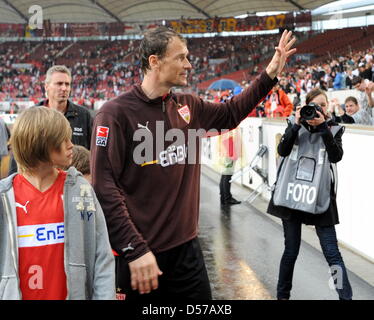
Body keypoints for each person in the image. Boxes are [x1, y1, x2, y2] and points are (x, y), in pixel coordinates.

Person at [90, 26, 296, 300]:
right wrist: (134, 249)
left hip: (187, 252)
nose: (188, 64)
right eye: (181, 57)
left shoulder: (189, 105)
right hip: (140, 257)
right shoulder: (114, 114)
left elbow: (231, 113)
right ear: (155, 61)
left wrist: (269, 74)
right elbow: (103, 187)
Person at [0, 107, 115, 300]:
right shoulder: (5, 197)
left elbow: (102, 257)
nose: (72, 145)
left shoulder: (80, 190)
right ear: (41, 145)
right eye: (63, 140)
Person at [267, 88, 353, 300]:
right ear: (304, 106)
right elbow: (283, 150)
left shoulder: (333, 129)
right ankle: (282, 296)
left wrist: (323, 127)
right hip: (292, 194)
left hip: (320, 196)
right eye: (314, 105)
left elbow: (336, 156)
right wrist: (296, 124)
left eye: (322, 105)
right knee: (291, 251)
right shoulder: (293, 123)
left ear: (328, 108)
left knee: (332, 252)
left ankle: (346, 298)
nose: (318, 109)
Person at [37, 65, 93, 150]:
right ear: (46, 86)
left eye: (67, 84)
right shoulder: (33, 116)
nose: (64, 88)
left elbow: (94, 150)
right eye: (59, 84)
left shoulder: (84, 116)